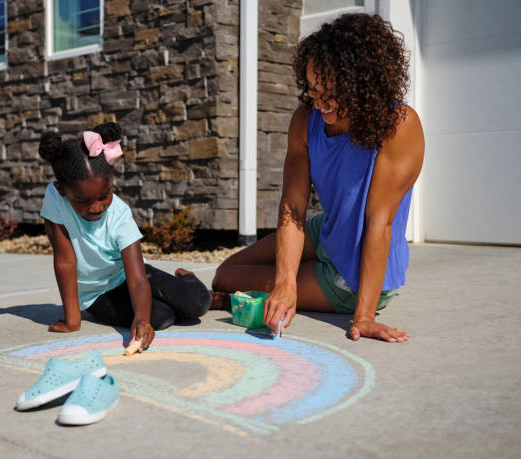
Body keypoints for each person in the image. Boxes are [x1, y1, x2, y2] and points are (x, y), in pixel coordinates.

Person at [212, 13, 424, 343]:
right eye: (313, 90)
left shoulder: (399, 126)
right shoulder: (305, 122)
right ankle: (258, 293)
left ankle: (255, 297)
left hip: (354, 273)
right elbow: (293, 207)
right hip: (327, 228)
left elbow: (378, 225)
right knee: (225, 273)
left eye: (331, 93)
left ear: (363, 86)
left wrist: (365, 316)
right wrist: (284, 281)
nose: (320, 104)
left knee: (231, 283)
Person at [38, 122, 211, 351]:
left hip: (127, 275)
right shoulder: (55, 197)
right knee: (160, 318)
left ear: (111, 182)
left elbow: (137, 278)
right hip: (97, 294)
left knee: (195, 304)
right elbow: (65, 259)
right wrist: (72, 319)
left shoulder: (120, 215)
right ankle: (164, 302)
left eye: (104, 195)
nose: (96, 207)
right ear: (62, 190)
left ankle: (186, 278)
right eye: (83, 201)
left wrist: (141, 318)